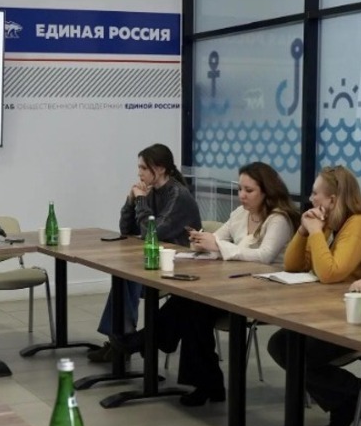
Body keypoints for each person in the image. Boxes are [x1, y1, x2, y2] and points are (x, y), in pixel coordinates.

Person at [111, 162, 300, 406]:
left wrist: (218, 245)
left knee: (194, 309)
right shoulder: (241, 213)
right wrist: (201, 240)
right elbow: (217, 237)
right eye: (240, 189)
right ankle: (203, 380)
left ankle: (151, 342)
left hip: (266, 292)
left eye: (249, 190)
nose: (242, 195)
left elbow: (264, 256)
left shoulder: (278, 219)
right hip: (236, 284)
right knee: (192, 305)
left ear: (267, 191)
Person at [267, 165, 361, 426]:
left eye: (315, 193)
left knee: (293, 350)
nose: (311, 199)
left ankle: (359, 395)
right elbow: (293, 265)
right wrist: (303, 231)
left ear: (333, 199)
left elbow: (330, 273)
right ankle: (351, 397)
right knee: (283, 345)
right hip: (335, 310)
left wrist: (314, 232)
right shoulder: (330, 224)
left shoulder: (360, 224)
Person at [88, 143, 202, 362]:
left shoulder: (178, 195)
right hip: (155, 259)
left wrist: (141, 200)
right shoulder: (151, 191)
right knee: (124, 274)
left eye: (143, 168)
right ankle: (119, 341)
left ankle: (122, 342)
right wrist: (131, 200)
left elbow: (152, 232)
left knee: (129, 276)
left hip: (179, 264)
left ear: (159, 169)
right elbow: (127, 229)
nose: (139, 173)